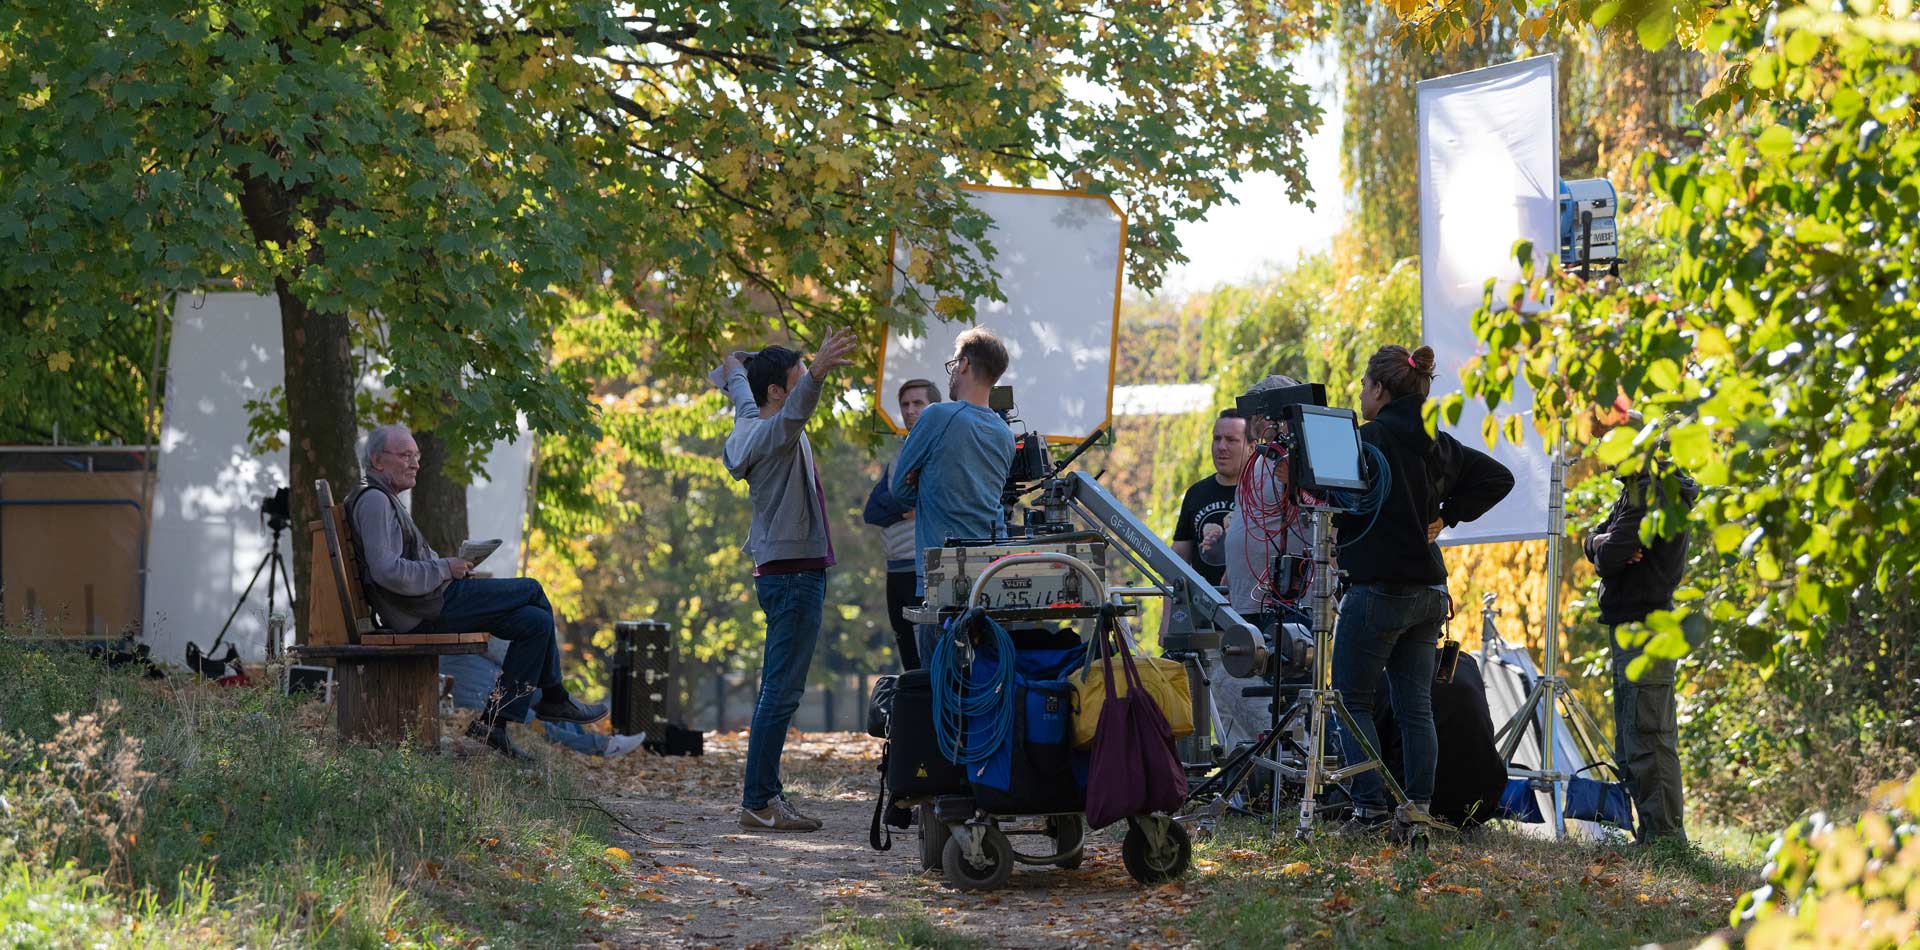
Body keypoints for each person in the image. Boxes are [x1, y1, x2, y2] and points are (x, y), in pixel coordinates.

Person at [1331, 345, 1514, 841]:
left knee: (1350, 700)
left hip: (1378, 589)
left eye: (1366, 386)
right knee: (1415, 705)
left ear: (1380, 390)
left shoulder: (1367, 441)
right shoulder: (1437, 440)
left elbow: (1337, 503)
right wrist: (1445, 515)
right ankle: (1417, 809)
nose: (1362, 395)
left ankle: (1368, 809)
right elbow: (1500, 477)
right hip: (1430, 589)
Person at [350, 425, 607, 759]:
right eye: (405, 455)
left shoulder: (382, 499)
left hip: (426, 604)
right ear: (377, 461)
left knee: (535, 623)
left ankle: (493, 726)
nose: (414, 463)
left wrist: (448, 565)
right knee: (531, 588)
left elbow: (394, 567)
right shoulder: (374, 501)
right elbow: (387, 571)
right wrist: (445, 568)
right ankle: (555, 695)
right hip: (425, 610)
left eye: (417, 456)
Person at [712, 327, 858, 833]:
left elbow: (738, 386)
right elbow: (796, 410)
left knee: (777, 688)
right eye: (792, 380)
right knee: (781, 691)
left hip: (785, 571)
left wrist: (736, 367)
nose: (798, 387)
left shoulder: (750, 423)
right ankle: (758, 800)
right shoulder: (775, 434)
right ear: (777, 391)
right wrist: (816, 372)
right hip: (795, 575)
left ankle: (766, 795)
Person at [1584, 446, 1699, 843]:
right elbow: (1599, 543)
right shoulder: (1636, 491)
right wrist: (1601, 543)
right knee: (1633, 737)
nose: (1606, 459)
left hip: (1647, 626)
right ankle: (1651, 836)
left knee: (1649, 735)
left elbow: (1613, 552)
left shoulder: (1654, 492)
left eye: (1611, 451)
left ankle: (1666, 840)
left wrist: (1606, 547)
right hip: (1630, 624)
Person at [891, 327, 1015, 665]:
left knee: (941, 685)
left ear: (963, 365)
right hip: (989, 570)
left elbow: (898, 489)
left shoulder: (937, 416)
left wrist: (921, 479)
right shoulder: (1004, 433)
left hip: (940, 575)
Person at [441, 644, 647, 760]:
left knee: (554, 702)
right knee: (542, 725)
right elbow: (508, 655)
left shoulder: (460, 625)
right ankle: (604, 746)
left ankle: (589, 739)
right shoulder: (464, 625)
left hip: (500, 690)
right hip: (488, 702)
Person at [863, 378, 942, 670]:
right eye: (905, 404)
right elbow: (872, 511)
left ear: (935, 407)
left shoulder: (940, 449)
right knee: (908, 659)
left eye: (917, 403)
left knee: (928, 660)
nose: (910, 410)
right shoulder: (899, 453)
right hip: (894, 568)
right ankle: (915, 714)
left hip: (923, 569)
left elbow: (931, 498)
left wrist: (911, 502)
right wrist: (905, 506)